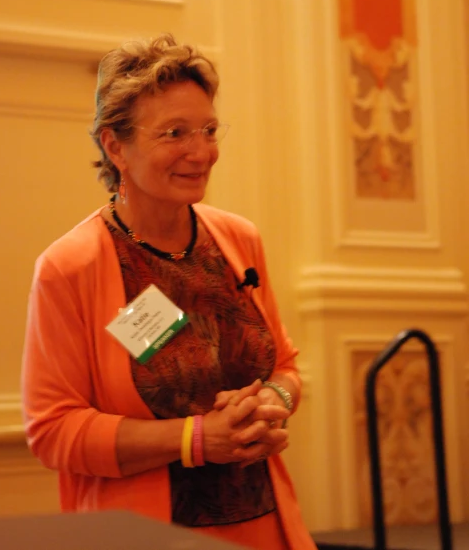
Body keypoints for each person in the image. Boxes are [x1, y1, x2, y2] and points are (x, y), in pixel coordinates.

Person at [22, 34, 316, 550]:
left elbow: (287, 368)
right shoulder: (69, 268)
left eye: (207, 129)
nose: (200, 152)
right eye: (174, 133)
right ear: (116, 146)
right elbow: (54, 432)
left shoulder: (238, 240)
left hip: (264, 527)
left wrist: (272, 401)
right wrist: (199, 439)